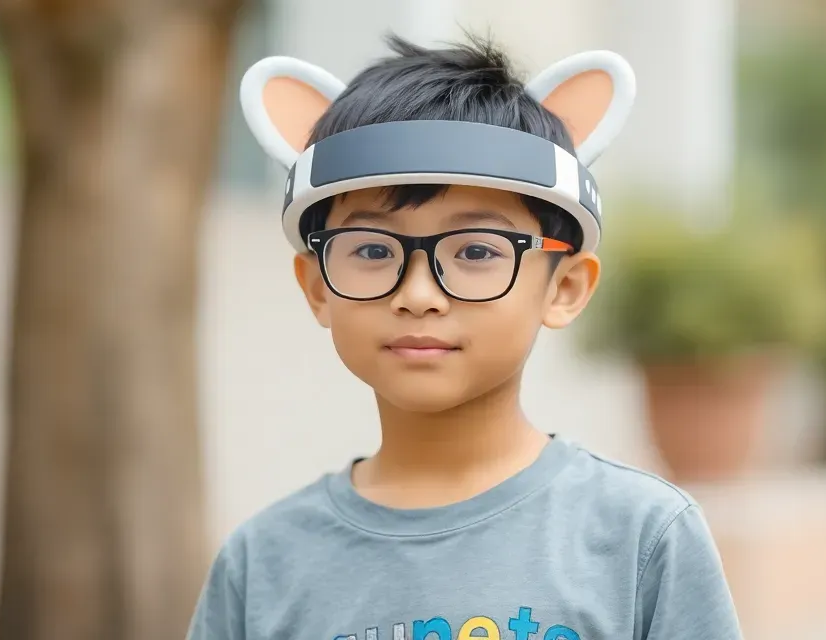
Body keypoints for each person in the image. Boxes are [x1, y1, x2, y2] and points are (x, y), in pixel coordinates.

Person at [188, 33, 743, 640]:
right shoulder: (262, 563)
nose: (418, 294)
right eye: (372, 249)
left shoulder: (640, 536)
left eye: (476, 250)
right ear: (317, 285)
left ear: (565, 288)